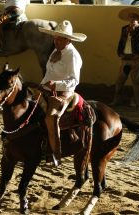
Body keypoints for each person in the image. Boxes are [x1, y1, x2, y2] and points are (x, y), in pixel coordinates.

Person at [38, 20, 87, 167]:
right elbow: (49, 73)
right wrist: (41, 87)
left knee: (51, 117)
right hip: (47, 89)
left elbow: (74, 81)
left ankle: (55, 154)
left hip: (64, 93)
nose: (56, 40)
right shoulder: (55, 51)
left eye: (59, 38)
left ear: (68, 40)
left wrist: (56, 84)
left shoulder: (73, 55)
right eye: (55, 37)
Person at [110, 7, 139, 107]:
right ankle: (117, 99)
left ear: (138, 19)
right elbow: (121, 42)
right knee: (120, 80)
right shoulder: (124, 29)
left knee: (136, 81)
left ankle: (136, 101)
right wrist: (120, 53)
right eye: (131, 17)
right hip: (125, 59)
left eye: (134, 17)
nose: (132, 19)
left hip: (136, 59)